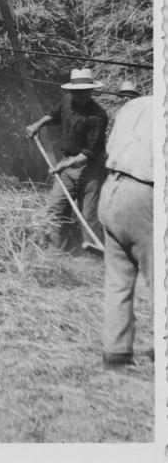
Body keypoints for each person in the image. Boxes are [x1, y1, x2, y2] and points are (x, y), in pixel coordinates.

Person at [26, 68, 108, 252]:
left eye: (88, 91)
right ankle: (56, 254)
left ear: (92, 91)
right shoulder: (66, 101)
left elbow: (90, 151)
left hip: (90, 169)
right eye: (80, 92)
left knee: (88, 214)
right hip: (67, 164)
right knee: (56, 209)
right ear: (72, 91)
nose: (84, 95)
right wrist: (37, 125)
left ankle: (94, 257)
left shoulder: (98, 116)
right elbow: (53, 115)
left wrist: (64, 165)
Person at [98, 95, 153, 368]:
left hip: (112, 189)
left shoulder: (134, 105)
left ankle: (116, 353)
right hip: (146, 191)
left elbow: (109, 147)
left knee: (118, 277)